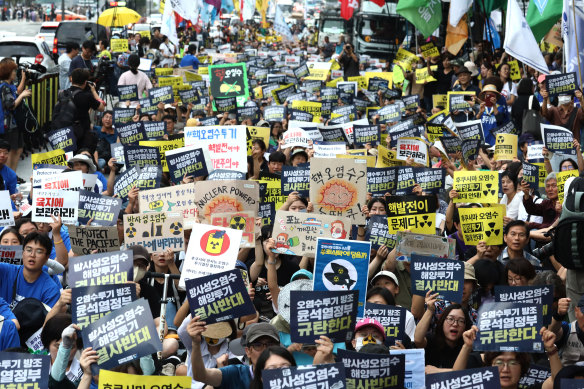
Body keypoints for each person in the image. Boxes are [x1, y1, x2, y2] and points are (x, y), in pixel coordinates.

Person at [187, 320, 280, 388]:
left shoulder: (290, 376)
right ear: (248, 351)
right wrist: (195, 343)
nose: (265, 350)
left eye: (270, 344)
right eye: (258, 345)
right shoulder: (236, 373)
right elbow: (200, 375)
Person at [0, 231, 61, 308]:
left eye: (39, 252)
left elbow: (48, 319)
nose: (32, 255)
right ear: (22, 252)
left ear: (47, 257)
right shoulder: (5, 271)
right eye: (29, 250)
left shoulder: (51, 290)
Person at [0, 58, 31, 173]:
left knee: (19, 148)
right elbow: (11, 105)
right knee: (11, 150)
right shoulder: (4, 87)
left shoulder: (9, 85)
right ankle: (7, 177)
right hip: (8, 125)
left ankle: (13, 175)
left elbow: (16, 93)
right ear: (8, 72)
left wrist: (23, 79)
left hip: (14, 123)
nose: (15, 73)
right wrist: (22, 96)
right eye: (13, 71)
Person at [67, 68, 106, 152]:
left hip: (65, 132)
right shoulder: (87, 96)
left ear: (71, 79)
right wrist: (94, 91)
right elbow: (102, 107)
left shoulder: (63, 93)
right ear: (85, 82)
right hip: (82, 132)